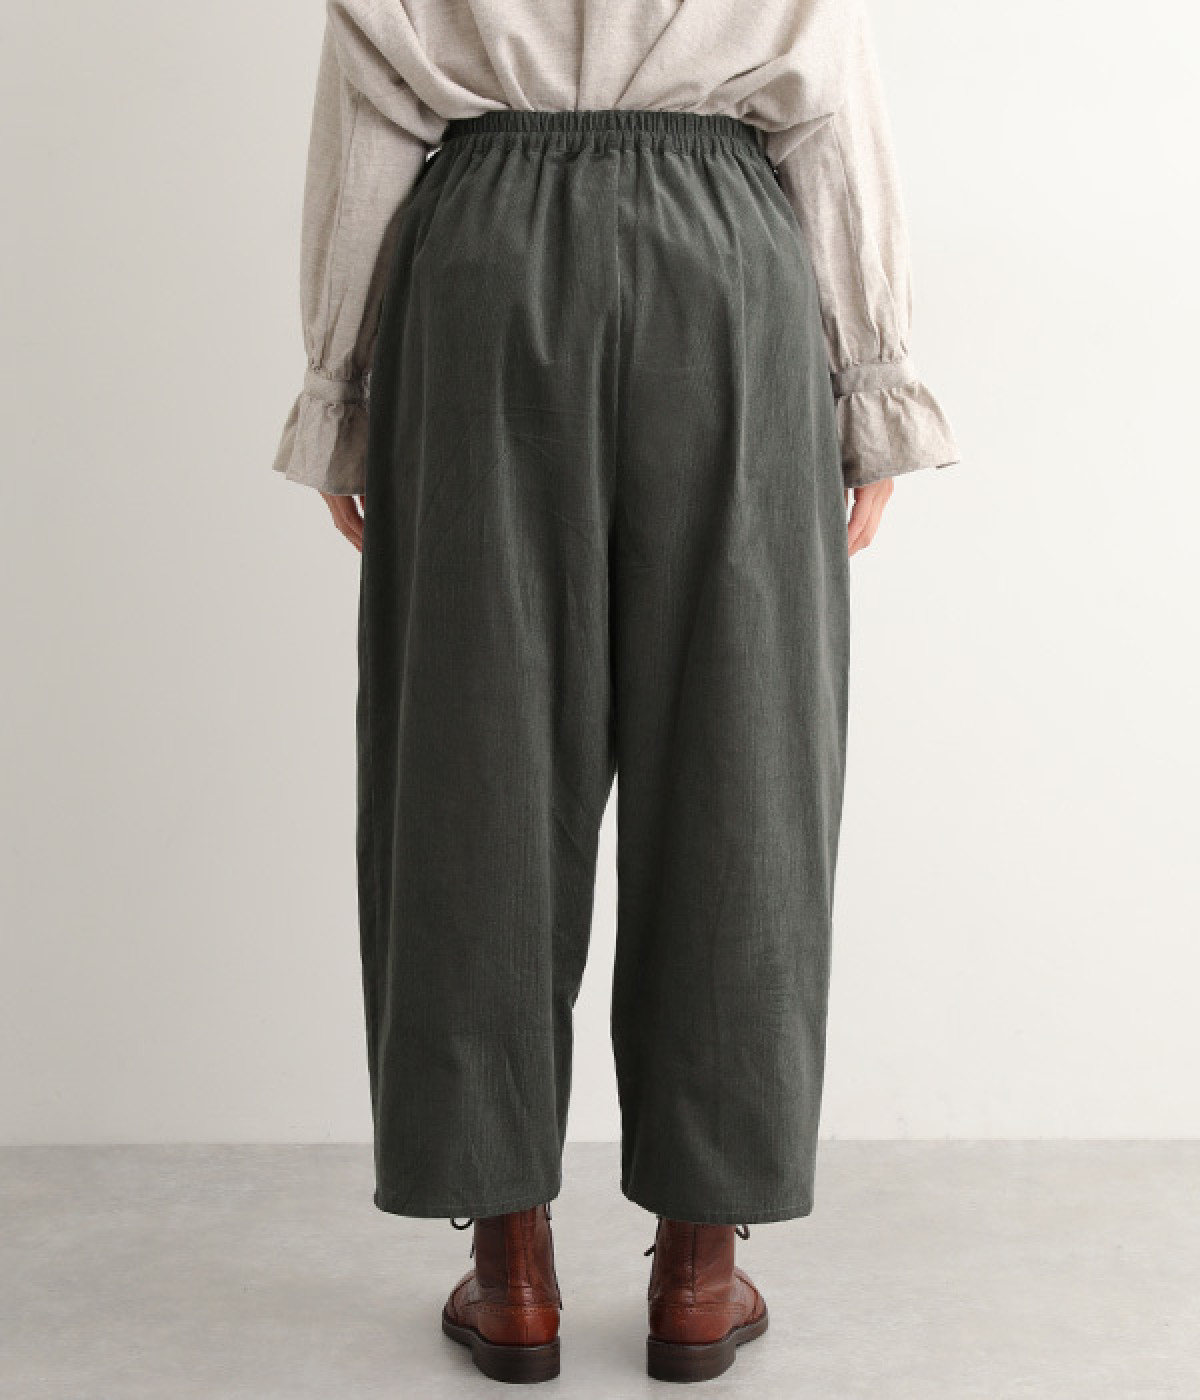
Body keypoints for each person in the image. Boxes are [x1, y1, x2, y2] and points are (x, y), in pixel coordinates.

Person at [272, 0, 958, 1384]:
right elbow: (826, 109)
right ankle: (698, 1272)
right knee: (742, 745)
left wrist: (342, 389)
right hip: (725, 259)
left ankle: (509, 1271)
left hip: (481, 259)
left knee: (471, 748)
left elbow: (375, 116)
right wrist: (873, 383)